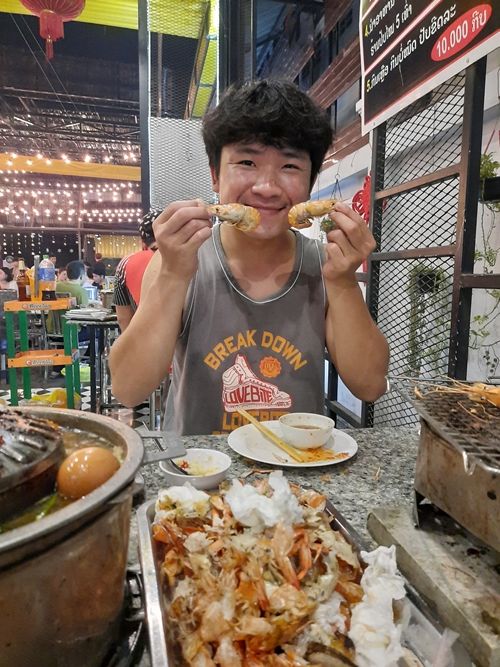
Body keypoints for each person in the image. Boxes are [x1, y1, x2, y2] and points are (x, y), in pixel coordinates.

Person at [110, 80, 389, 436]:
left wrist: (343, 281)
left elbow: (370, 385)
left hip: (298, 464)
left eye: (290, 166)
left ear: (310, 182)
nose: (267, 187)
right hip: (199, 466)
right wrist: (173, 275)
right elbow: (128, 388)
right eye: (247, 162)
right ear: (215, 174)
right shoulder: (178, 261)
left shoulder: (326, 266)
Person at [113, 210, 160, 332]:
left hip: (145, 338)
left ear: (143, 243)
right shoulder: (189, 259)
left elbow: (123, 319)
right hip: (187, 340)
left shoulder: (125, 264)